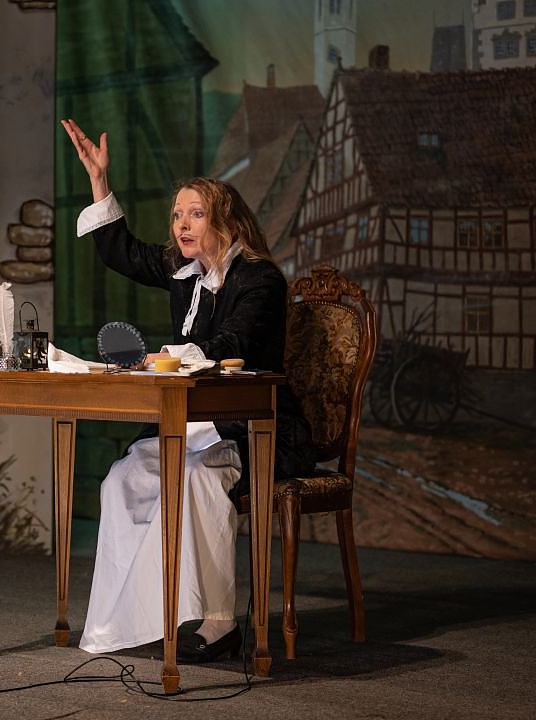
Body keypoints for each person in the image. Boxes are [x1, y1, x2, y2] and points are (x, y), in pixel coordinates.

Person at [61, 118, 314, 664]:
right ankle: (138, 617)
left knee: (198, 476)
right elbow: (122, 252)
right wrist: (99, 182)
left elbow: (233, 343)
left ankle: (221, 622)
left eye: (195, 213)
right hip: (192, 424)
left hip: (252, 428)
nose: (182, 223)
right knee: (122, 480)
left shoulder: (260, 279)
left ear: (226, 220)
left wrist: (165, 358)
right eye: (177, 214)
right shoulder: (184, 272)